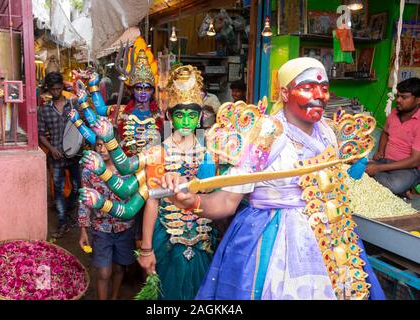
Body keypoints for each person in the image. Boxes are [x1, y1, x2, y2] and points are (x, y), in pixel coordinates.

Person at [161, 57, 385, 300]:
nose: (319, 95)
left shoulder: (327, 133)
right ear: (285, 93)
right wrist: (191, 201)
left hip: (330, 242)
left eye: (324, 88)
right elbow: (226, 202)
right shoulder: (267, 135)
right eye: (308, 87)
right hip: (274, 242)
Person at [137, 65, 218, 300]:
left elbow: (214, 195)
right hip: (168, 238)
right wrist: (146, 248)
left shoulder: (209, 151)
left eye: (192, 115)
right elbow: (152, 202)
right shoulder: (157, 153)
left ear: (201, 116)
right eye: (180, 115)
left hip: (204, 238)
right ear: (169, 116)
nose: (186, 120)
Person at [78, 138, 136, 300]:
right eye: (98, 145)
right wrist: (83, 230)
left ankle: (114, 296)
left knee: (118, 268)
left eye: (106, 145)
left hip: (125, 228)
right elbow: (85, 201)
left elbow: (136, 200)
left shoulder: (128, 170)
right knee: (104, 272)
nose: (102, 149)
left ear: (115, 147)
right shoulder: (89, 171)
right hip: (101, 228)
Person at [38, 72, 82, 238]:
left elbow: (82, 125)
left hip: (75, 154)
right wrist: (51, 148)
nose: (56, 92)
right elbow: (41, 134)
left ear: (62, 88)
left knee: (78, 187)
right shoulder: (44, 110)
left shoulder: (74, 105)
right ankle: (63, 221)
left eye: (58, 88)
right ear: (49, 90)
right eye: (53, 89)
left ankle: (70, 208)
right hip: (56, 156)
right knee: (58, 190)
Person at [366, 77, 420, 197]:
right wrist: (380, 151)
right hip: (385, 160)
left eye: (404, 97)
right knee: (355, 164)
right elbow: (385, 132)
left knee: (396, 185)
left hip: (408, 168)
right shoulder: (394, 113)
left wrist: (379, 168)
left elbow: (415, 160)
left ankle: (402, 187)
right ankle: (403, 189)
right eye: (398, 96)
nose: (398, 100)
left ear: (418, 100)